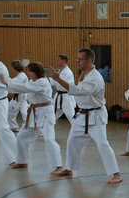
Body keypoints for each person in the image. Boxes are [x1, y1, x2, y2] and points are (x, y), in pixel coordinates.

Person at [50, 48, 122, 184]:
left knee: (102, 144)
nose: (77, 61)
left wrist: (58, 79)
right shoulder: (85, 74)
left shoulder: (95, 77)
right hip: (82, 115)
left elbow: (78, 91)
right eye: (77, 59)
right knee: (72, 141)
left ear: (89, 60)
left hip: (96, 116)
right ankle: (69, 168)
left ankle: (116, 174)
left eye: (80, 59)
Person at [0, 62, 62, 173]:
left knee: (49, 139)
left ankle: (58, 166)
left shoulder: (42, 82)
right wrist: (9, 85)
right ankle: (22, 161)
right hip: (34, 113)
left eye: (29, 71)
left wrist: (7, 82)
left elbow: (25, 88)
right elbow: (23, 87)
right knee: (21, 137)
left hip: (45, 113)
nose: (27, 73)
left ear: (35, 72)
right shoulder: (32, 81)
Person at [53, 54, 77, 122]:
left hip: (66, 97)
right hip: (58, 96)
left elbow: (68, 86)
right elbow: (55, 83)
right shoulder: (59, 71)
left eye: (59, 60)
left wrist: (57, 78)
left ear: (63, 61)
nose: (57, 61)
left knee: (71, 116)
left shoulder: (68, 72)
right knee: (52, 116)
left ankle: (78, 127)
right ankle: (46, 128)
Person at [7, 60, 29, 132]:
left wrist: (6, 79)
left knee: (25, 114)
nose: (10, 69)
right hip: (16, 98)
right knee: (10, 112)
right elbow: (13, 83)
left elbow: (14, 84)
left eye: (11, 67)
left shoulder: (22, 76)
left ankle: (29, 128)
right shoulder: (19, 76)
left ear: (15, 68)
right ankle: (13, 127)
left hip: (21, 99)